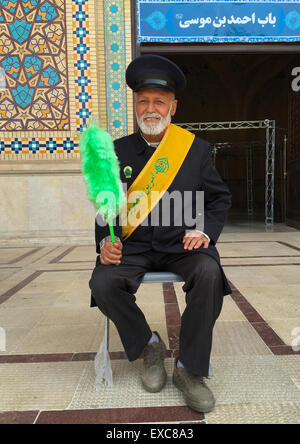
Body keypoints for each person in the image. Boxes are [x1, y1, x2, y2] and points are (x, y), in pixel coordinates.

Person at [89, 54, 232, 413]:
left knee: (209, 273)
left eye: (159, 101)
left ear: (173, 106)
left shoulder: (195, 150)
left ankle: (190, 368)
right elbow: (106, 207)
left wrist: (204, 231)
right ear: (135, 104)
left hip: (182, 244)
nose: (150, 109)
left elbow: (219, 198)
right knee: (102, 283)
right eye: (143, 101)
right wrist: (105, 241)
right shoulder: (116, 151)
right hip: (133, 245)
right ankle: (148, 346)